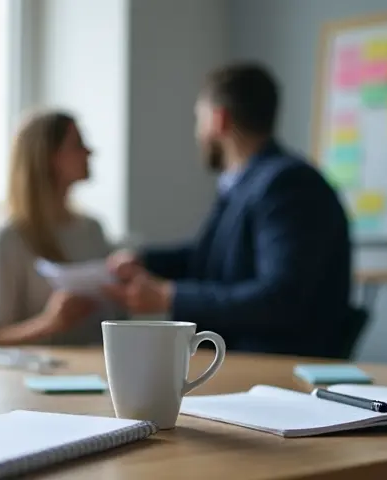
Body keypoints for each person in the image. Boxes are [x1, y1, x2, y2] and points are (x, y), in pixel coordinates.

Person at [103, 62, 354, 357]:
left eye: (199, 119)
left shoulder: (287, 184)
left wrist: (169, 296)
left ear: (219, 119)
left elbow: (280, 297)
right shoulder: (247, 182)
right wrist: (145, 261)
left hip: (275, 370)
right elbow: (212, 258)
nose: (197, 133)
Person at [0, 110, 117, 346]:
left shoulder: (93, 229)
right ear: (47, 157)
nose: (89, 151)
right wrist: (49, 322)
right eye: (77, 144)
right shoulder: (5, 236)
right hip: (34, 375)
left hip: (96, 367)